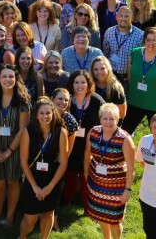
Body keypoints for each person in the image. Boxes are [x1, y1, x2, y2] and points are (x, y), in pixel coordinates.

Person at [0, 64, 31, 227]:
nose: (7, 80)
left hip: (15, 147)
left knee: (12, 182)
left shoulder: (22, 99)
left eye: (11, 76)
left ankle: (10, 216)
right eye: (4, 76)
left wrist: (9, 151)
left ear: (16, 79)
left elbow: (23, 129)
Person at [18, 96, 69, 239]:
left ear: (53, 113)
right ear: (36, 114)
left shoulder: (61, 132)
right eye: (42, 113)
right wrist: (34, 187)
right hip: (32, 179)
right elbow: (23, 161)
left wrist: (50, 186)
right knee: (29, 220)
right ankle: (22, 237)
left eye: (48, 113)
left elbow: (64, 163)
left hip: (52, 179)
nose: (45, 116)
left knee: (48, 213)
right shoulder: (28, 131)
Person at [84, 103, 136, 239]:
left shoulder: (125, 139)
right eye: (105, 118)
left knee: (114, 220)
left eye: (112, 119)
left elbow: (131, 168)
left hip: (117, 187)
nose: (108, 122)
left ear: (117, 119)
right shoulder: (93, 132)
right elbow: (87, 154)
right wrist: (86, 175)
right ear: (100, 119)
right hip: (97, 183)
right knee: (102, 215)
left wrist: (127, 190)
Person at [63, 70, 105, 208]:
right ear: (72, 84)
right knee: (69, 174)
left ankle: (87, 205)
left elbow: (105, 120)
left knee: (87, 175)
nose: (79, 85)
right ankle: (66, 201)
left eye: (83, 82)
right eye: (76, 82)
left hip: (90, 145)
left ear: (89, 84)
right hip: (70, 143)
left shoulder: (96, 100)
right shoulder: (66, 100)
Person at [123, 28, 156, 135]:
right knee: (124, 134)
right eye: (148, 40)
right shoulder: (134, 54)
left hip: (155, 105)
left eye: (154, 40)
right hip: (135, 102)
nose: (151, 43)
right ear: (144, 41)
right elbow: (130, 77)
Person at [102, 5, 144, 83]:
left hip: (128, 77)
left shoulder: (140, 35)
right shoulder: (109, 32)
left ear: (132, 18)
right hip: (111, 76)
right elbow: (106, 52)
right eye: (121, 16)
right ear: (116, 17)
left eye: (127, 16)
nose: (123, 19)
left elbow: (140, 59)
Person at [90, 56, 128, 120]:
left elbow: (122, 113)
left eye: (102, 68)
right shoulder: (89, 86)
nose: (99, 72)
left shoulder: (116, 88)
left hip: (110, 124)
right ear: (92, 71)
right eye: (96, 69)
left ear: (108, 69)